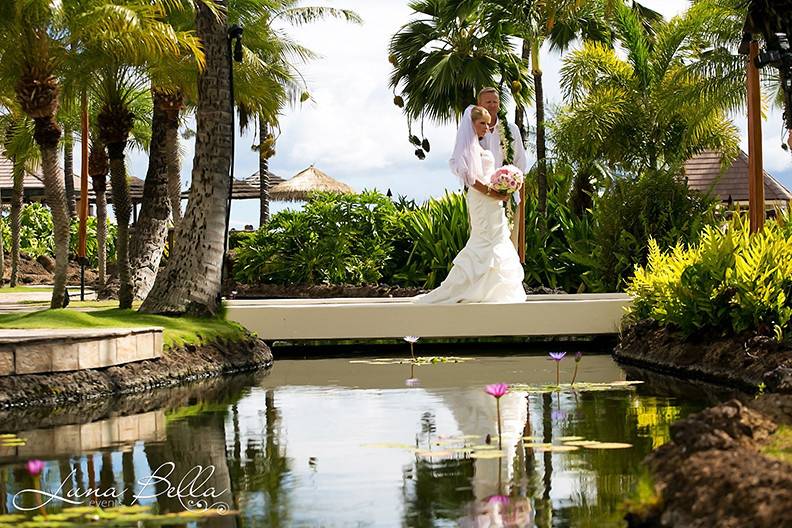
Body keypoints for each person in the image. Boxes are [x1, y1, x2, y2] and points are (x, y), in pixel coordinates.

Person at [413, 105, 526, 304]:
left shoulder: (479, 148)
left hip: (492, 202)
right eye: (482, 123)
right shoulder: (466, 149)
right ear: (471, 124)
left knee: (497, 240)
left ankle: (493, 291)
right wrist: (494, 193)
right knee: (483, 240)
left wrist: (503, 186)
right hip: (482, 201)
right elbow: (471, 179)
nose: (486, 127)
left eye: (487, 124)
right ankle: (468, 288)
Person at [476, 87, 528, 248]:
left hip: (509, 197)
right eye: (488, 102)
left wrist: (510, 185)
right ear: (479, 105)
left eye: (495, 102)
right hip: (481, 197)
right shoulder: (473, 131)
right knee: (483, 245)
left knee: (508, 245)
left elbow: (521, 163)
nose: (492, 105)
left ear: (499, 105)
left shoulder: (511, 130)